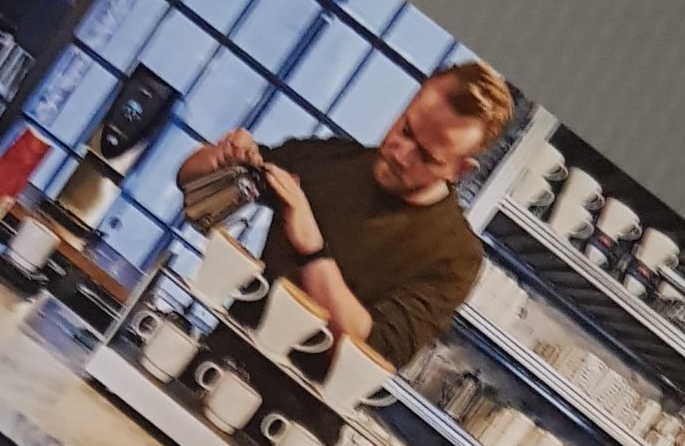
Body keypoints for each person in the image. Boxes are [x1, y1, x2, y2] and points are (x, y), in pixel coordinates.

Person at [176, 61, 513, 372]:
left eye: (426, 156)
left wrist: (312, 249)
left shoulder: (455, 255)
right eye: (406, 130)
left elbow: (371, 354)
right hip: (211, 366)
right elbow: (190, 184)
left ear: (459, 170)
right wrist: (222, 158)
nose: (401, 154)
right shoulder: (330, 159)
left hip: (291, 414)